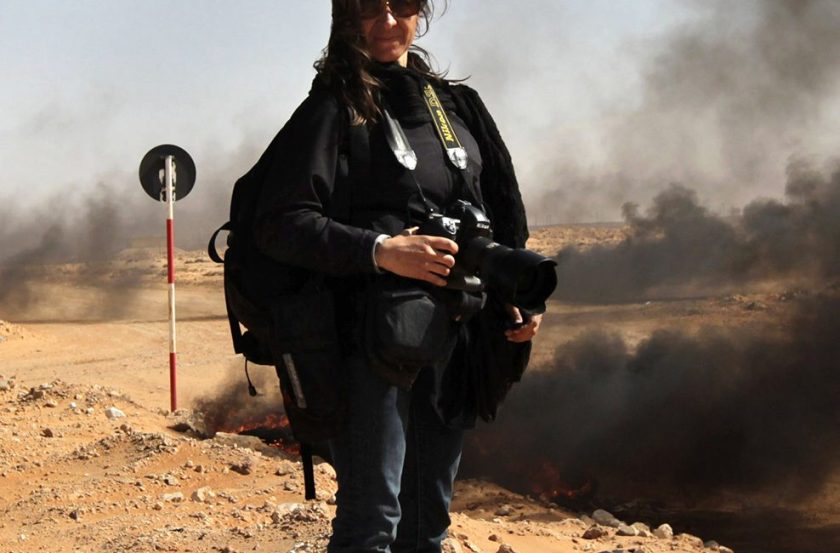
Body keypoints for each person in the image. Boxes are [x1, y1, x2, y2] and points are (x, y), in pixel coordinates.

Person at [252, 1, 543, 551]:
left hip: (453, 339)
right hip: (368, 346)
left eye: (403, 4)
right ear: (346, 16)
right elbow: (281, 223)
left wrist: (518, 294)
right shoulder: (333, 108)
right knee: (372, 522)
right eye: (369, 7)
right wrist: (381, 250)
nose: (388, 20)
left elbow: (504, 214)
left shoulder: (459, 106)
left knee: (427, 525)